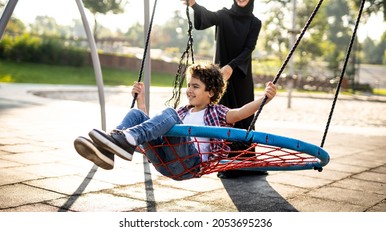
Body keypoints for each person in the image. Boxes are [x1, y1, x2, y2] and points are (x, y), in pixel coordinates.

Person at [74, 63, 276, 180]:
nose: (189, 90)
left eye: (195, 86)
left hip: (189, 164)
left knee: (170, 115)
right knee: (138, 116)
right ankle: (110, 150)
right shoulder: (183, 111)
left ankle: (123, 140)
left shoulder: (217, 113)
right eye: (189, 85)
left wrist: (265, 99)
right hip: (165, 161)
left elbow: (241, 112)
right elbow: (151, 127)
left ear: (211, 92)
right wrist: (141, 100)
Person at [182, 0, 262, 178]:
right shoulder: (225, 15)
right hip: (220, 79)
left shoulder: (255, 22)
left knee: (244, 116)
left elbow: (248, 49)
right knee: (223, 115)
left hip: (241, 75)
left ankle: (246, 161)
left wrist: (232, 67)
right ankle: (226, 162)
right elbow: (206, 18)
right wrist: (195, 5)